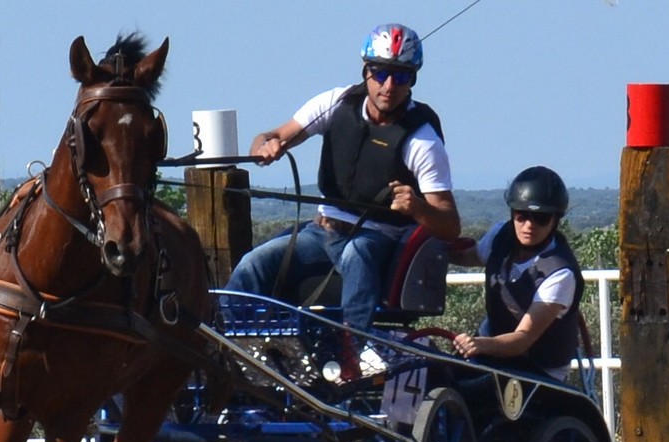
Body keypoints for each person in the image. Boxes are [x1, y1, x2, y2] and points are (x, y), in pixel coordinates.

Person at [226, 23, 462, 334]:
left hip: (376, 237)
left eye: (401, 75)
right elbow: (272, 135)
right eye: (380, 73)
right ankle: (231, 346)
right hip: (319, 232)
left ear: (412, 79)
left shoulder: (422, 140)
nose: (389, 85)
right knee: (254, 262)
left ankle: (354, 352)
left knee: (356, 254)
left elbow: (450, 225)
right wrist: (266, 147)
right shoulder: (336, 103)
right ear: (366, 70)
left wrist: (417, 207)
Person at [449, 166, 584, 381]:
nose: (529, 225)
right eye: (521, 216)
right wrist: (433, 247)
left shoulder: (560, 273)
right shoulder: (500, 236)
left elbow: (522, 340)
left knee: (477, 391)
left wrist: (480, 344)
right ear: (513, 213)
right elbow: (470, 256)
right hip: (494, 353)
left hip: (539, 371)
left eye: (540, 218)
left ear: (555, 220)